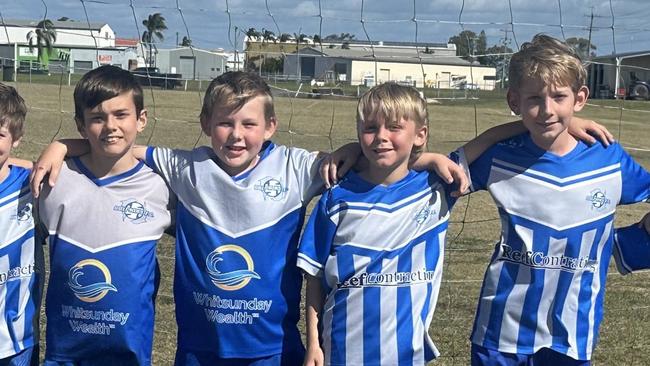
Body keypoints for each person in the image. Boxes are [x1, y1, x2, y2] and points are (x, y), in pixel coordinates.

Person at [30, 71, 469, 365]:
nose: (236, 135)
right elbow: (116, 145)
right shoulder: (187, 166)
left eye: (249, 123)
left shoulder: (299, 168)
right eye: (224, 123)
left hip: (272, 349)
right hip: (200, 348)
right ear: (205, 123)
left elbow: (377, 159)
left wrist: (422, 158)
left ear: (272, 126)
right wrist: (62, 147)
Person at [297, 82, 612, 366]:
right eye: (370, 128)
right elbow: (315, 278)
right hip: (340, 346)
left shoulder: (436, 186)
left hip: (406, 352)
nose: (381, 136)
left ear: (420, 135)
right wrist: (313, 343)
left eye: (394, 127)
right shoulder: (336, 198)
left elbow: (486, 139)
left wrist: (563, 122)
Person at [451, 34, 650, 365]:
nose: (546, 110)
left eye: (559, 97)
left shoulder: (608, 159)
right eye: (534, 100)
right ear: (514, 101)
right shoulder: (499, 157)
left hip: (572, 334)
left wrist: (627, 242)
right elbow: (427, 179)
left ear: (580, 98)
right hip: (501, 334)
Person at [38, 65, 173, 365]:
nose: (110, 126)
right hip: (65, 354)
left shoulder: (162, 186)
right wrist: (58, 146)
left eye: (121, 115)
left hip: (129, 354)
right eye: (97, 118)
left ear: (141, 120)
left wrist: (61, 145)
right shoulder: (53, 179)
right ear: (81, 126)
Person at [0, 83, 42, 366]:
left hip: (17, 341)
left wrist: (59, 149)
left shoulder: (33, 185)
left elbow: (94, 152)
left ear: (16, 138)